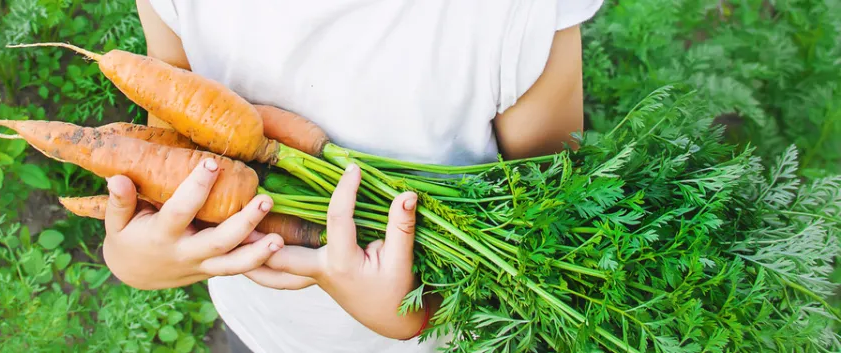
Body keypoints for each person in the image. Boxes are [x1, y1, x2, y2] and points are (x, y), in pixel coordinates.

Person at [100, 1, 603, 352]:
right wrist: (137, 260)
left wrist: (416, 312)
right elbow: (170, 147)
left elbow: (551, 222)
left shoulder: (515, 13)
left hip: (448, 339)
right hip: (262, 327)